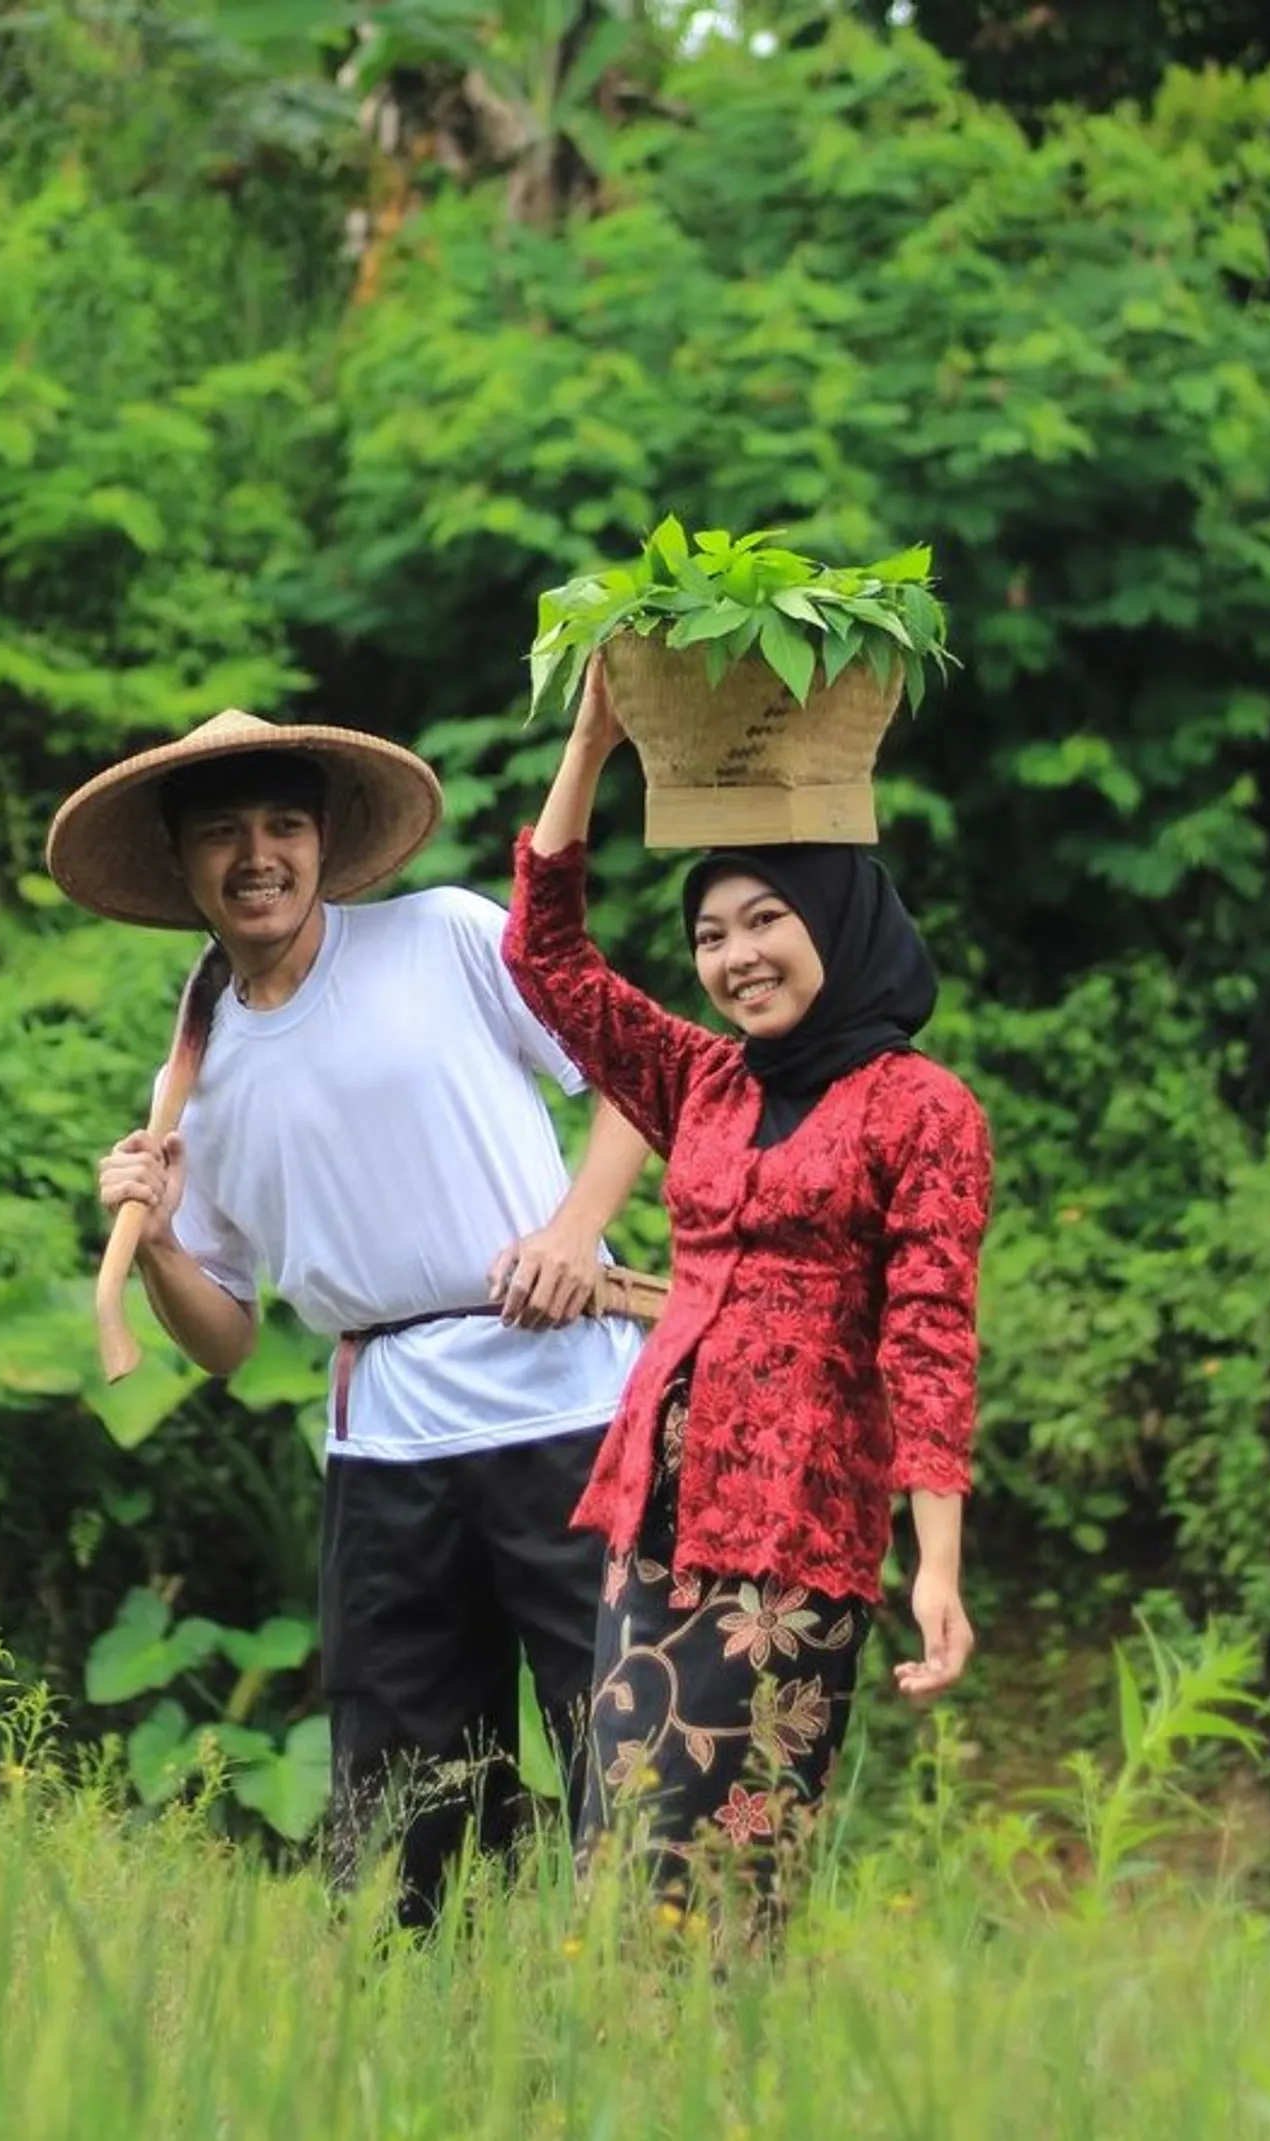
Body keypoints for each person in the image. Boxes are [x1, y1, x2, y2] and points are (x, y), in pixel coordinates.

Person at [46, 707, 650, 1924]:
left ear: (322, 841)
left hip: (566, 1397)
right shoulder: (192, 1071)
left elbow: (636, 1076)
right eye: (221, 831)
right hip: (385, 1444)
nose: (256, 854)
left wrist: (574, 1230)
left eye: (282, 824)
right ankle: (429, 2040)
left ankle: (662, 2017)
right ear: (181, 861)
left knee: (625, 1740)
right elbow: (220, 1343)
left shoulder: (447, 935)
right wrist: (159, 1237)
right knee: (404, 1790)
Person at [500, 659, 993, 1909]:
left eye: (766, 918)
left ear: (835, 919)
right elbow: (546, 959)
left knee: (724, 1875)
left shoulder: (920, 1108)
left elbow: (929, 1342)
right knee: (614, 1852)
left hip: (796, 1527)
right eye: (710, 935)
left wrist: (935, 1563)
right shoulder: (703, 1079)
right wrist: (593, 744)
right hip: (655, 1509)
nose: (734, 957)